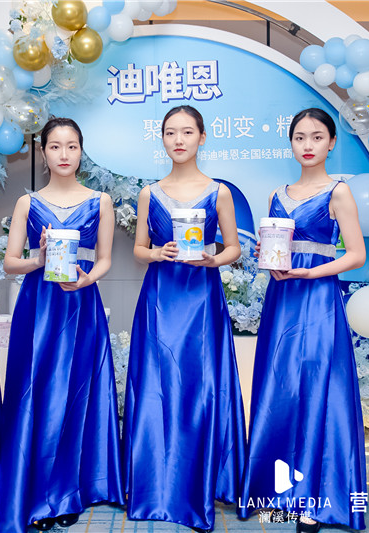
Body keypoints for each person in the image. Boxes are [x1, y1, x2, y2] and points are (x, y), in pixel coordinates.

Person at [238, 108, 367, 532]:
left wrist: (312, 273)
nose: (307, 145)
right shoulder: (277, 194)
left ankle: (316, 498)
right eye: (299, 137)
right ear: (290, 143)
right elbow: (273, 246)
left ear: (331, 143)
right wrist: (268, 258)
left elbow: (356, 254)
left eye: (317, 137)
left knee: (316, 387)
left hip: (318, 298)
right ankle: (274, 493)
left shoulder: (338, 192)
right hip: (281, 298)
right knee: (280, 387)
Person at [122, 105, 247, 533]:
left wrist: (214, 260)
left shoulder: (219, 192)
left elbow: (234, 247)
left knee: (200, 386)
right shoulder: (149, 193)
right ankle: (155, 486)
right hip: (161, 298)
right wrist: (157, 253)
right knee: (157, 387)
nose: (179, 140)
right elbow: (139, 249)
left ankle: (197, 484)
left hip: (201, 299)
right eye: (171, 132)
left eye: (187, 132)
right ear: (162, 139)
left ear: (202, 137)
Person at [0, 117, 123, 533]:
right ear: (43, 152)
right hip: (38, 307)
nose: (64, 154)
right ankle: (35, 484)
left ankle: (69, 489)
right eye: (55, 146)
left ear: (81, 151)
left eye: (71, 146)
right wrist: (38, 257)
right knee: (37, 390)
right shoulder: (27, 204)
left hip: (81, 302)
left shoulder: (100, 201)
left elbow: (104, 258)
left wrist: (88, 279)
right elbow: (10, 263)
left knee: (77, 392)